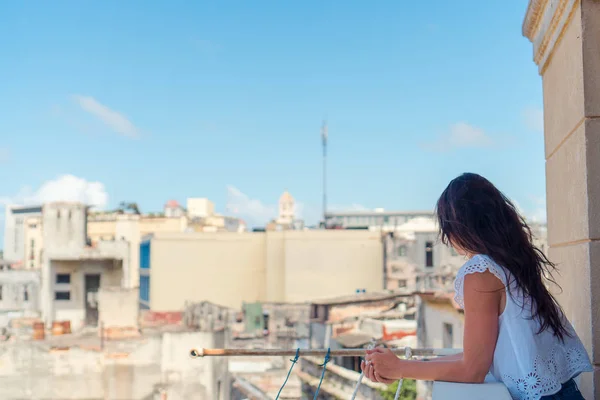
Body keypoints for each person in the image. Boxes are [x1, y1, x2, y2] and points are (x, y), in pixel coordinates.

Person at [362, 173, 593, 400]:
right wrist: (400, 366)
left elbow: (472, 370)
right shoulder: (511, 263)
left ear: (457, 226)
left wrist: (400, 369)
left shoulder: (481, 271)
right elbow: (478, 356)